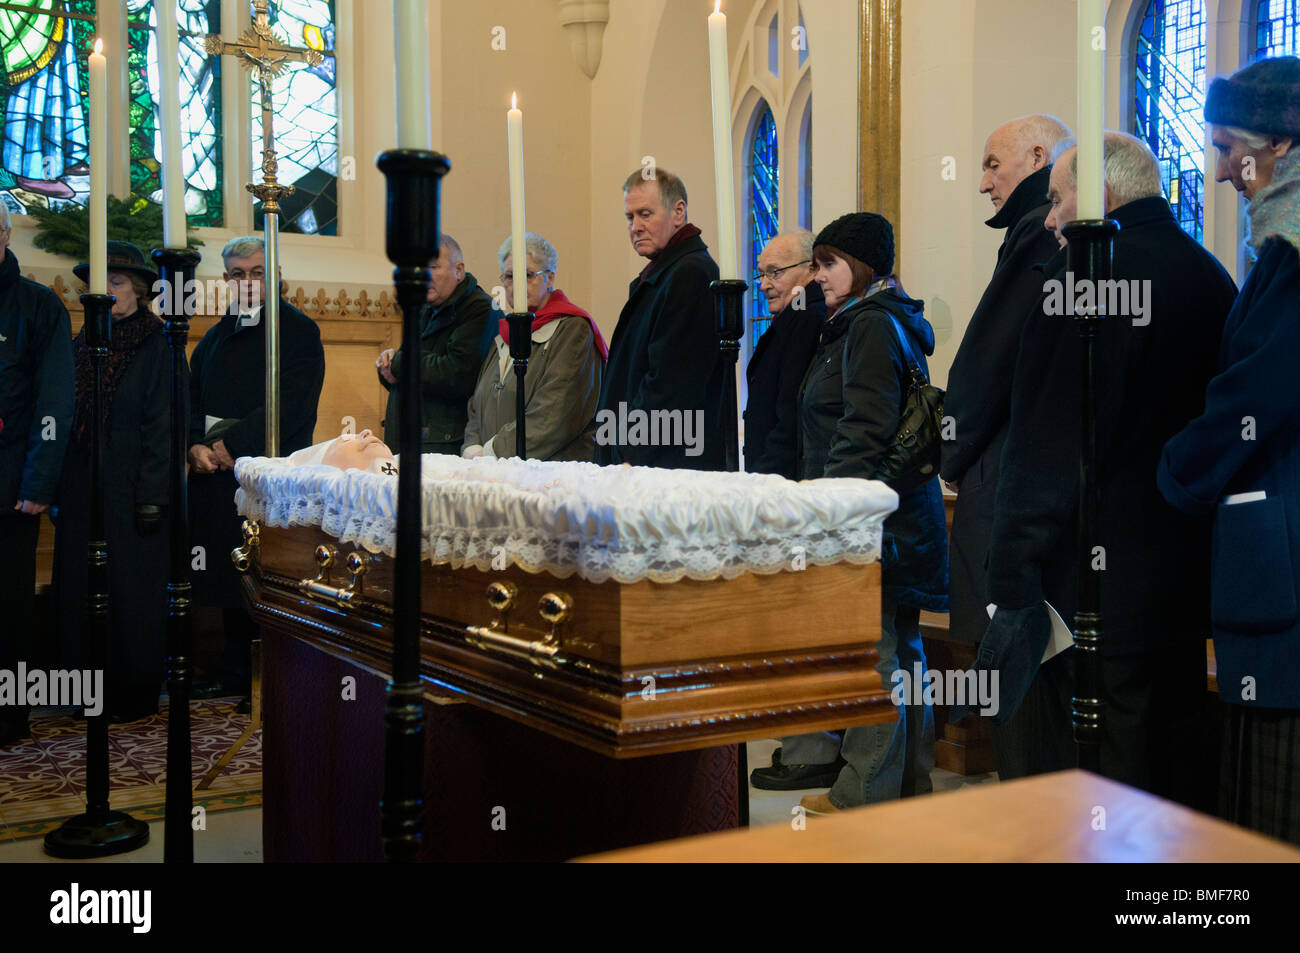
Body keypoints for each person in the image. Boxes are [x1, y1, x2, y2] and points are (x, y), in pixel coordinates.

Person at [983, 132, 1237, 808]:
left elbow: (1044, 440)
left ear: (1101, 195)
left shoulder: (1085, 277)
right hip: (1186, 575)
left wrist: (1012, 573)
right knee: (1178, 761)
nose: (1052, 218)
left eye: (1060, 199)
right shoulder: (1211, 274)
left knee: (1099, 774)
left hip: (1091, 581)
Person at [755, 213, 949, 812]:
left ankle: (862, 796)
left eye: (828, 263)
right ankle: (905, 785)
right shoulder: (874, 324)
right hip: (898, 517)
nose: (818, 277)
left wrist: (831, 515)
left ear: (863, 266)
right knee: (902, 648)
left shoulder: (869, 328)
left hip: (871, 522)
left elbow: (862, 432)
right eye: (815, 264)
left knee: (880, 653)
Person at [1158, 56, 1300, 843]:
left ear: (1278, 146)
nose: (1219, 173)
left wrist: (1180, 471)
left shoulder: (1294, 257)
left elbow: (1262, 386)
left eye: (1226, 149)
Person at [942, 115, 1071, 647]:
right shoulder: (1039, 225)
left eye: (993, 165)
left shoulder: (1040, 226)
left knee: (1006, 656)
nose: (983, 183)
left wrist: (950, 448)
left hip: (1007, 465)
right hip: (1017, 457)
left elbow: (993, 354)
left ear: (1037, 158)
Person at [188, 236, 325, 705]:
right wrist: (193, 446)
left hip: (267, 473)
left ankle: (267, 676)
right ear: (227, 279)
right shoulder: (216, 334)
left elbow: (291, 405)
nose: (247, 282)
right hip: (214, 471)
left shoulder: (298, 330)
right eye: (237, 274)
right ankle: (231, 671)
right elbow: (190, 395)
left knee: (263, 572)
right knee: (227, 572)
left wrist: (231, 447)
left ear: (275, 274)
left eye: (256, 272)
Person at [52, 242, 172, 721]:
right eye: (99, 282)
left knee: (129, 594)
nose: (106, 290)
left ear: (139, 292)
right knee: (80, 589)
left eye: (117, 282)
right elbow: (62, 415)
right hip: (82, 486)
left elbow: (162, 424)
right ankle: (83, 689)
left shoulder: (156, 342)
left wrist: (153, 496)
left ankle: (129, 693)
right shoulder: (83, 342)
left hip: (133, 493)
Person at [0, 204, 74, 745]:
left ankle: (8, 714)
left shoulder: (38, 306)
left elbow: (53, 401)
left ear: (4, 235)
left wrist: (38, 481)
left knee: (8, 607)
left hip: (11, 487)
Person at [595, 168, 724, 470]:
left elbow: (670, 382)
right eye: (629, 217)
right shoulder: (660, 275)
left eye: (645, 214)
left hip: (660, 466)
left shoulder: (690, 273)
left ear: (678, 212)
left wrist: (628, 452)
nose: (636, 227)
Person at [462, 232, 607, 461]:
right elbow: (477, 405)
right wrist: (472, 447)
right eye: (509, 276)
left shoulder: (573, 331)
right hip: (493, 472)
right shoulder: (504, 335)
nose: (516, 284)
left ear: (550, 278)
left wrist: (492, 452)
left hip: (552, 474)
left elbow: (555, 414)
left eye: (527, 275)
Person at [376, 233, 495, 455]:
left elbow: (456, 373)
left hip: (444, 443)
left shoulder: (480, 308)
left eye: (432, 267)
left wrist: (400, 362)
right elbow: (408, 366)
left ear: (458, 270)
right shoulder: (424, 307)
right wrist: (388, 366)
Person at [743, 230, 825, 479]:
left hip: (783, 480)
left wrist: (763, 479)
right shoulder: (797, 315)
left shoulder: (806, 318)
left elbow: (792, 416)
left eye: (775, 272)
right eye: (761, 273)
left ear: (811, 269)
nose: (764, 284)